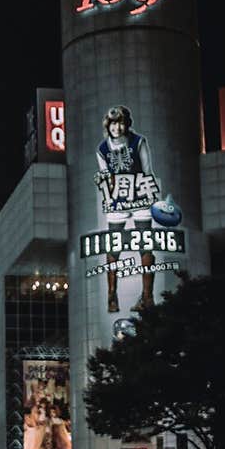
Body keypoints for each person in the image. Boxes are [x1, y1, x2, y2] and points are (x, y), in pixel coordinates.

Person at [95, 104, 157, 314]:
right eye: (113, 124)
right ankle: (112, 295)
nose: (117, 128)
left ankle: (148, 295)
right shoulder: (102, 149)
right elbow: (105, 176)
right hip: (118, 199)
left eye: (120, 123)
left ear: (126, 124)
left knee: (145, 244)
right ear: (108, 126)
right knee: (114, 247)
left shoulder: (139, 142)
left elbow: (148, 171)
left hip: (139, 194)